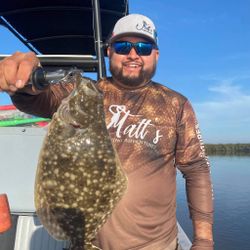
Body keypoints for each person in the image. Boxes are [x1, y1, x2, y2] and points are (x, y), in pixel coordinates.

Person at [0, 14, 214, 250]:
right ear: (109, 51)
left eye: (143, 47)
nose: (133, 54)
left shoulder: (176, 104)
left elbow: (196, 170)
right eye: (123, 46)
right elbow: (40, 98)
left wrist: (203, 239)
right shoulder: (84, 92)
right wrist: (26, 82)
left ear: (156, 54)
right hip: (86, 243)